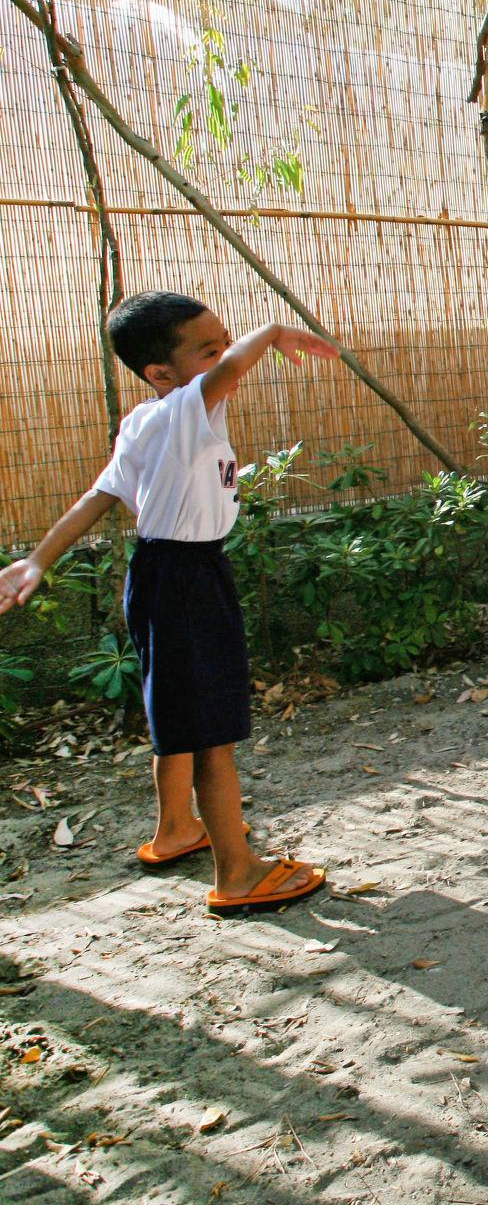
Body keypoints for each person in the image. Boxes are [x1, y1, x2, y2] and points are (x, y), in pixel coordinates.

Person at [0, 293, 334, 915]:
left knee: (178, 712)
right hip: (184, 579)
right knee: (212, 733)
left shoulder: (146, 420)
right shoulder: (183, 411)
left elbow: (98, 497)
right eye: (209, 351)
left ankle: (176, 828)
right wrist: (273, 331)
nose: (227, 357)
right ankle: (237, 873)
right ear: (162, 374)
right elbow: (231, 373)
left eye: (224, 341)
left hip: (165, 573)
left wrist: (36, 560)